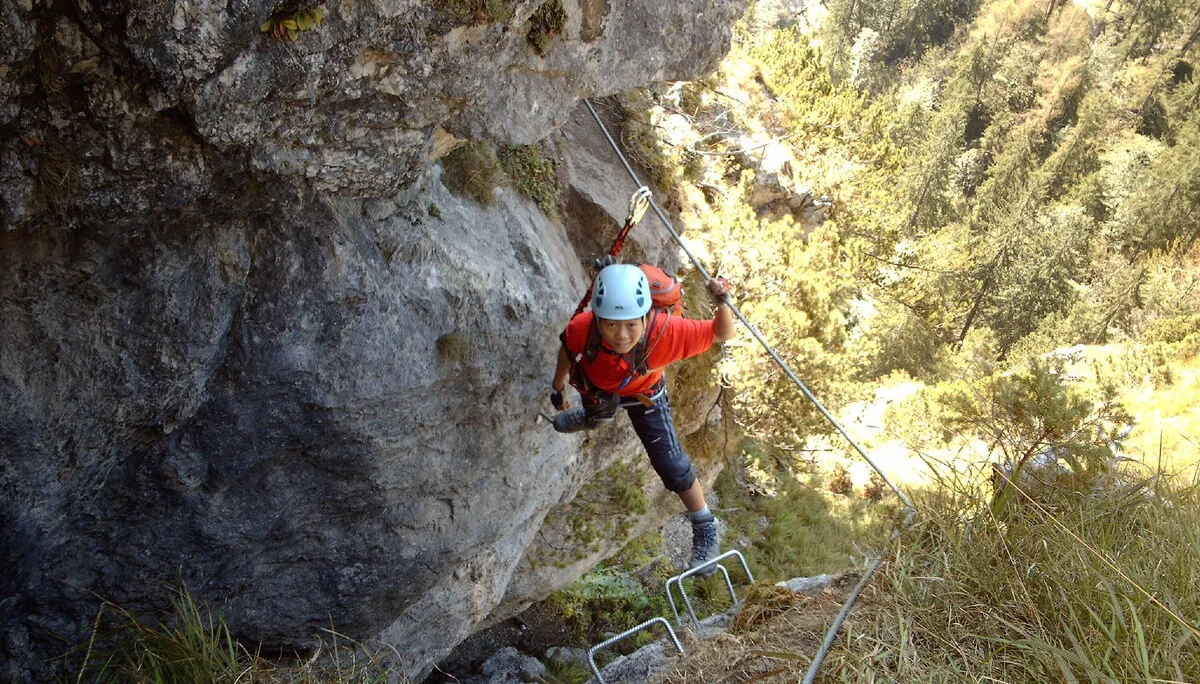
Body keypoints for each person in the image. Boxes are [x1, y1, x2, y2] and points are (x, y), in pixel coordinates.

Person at [549, 263, 735, 575]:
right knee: (598, 410)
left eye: (631, 326)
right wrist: (557, 388)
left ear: (647, 317)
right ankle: (595, 418)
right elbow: (567, 351)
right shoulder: (583, 328)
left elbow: (721, 332)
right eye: (610, 326)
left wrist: (722, 302)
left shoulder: (666, 332)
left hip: (644, 395)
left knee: (671, 465)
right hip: (600, 387)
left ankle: (705, 525)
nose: (621, 336)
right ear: (597, 320)